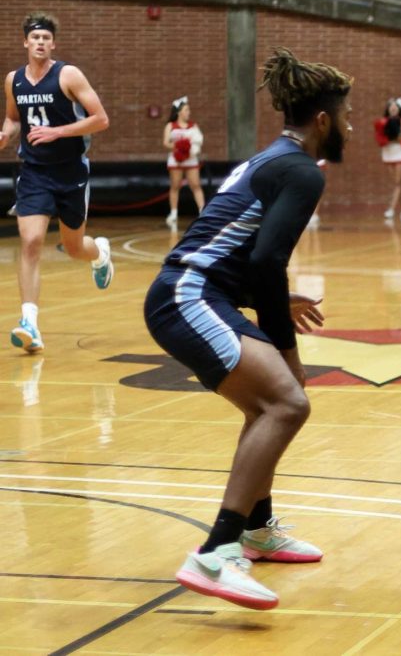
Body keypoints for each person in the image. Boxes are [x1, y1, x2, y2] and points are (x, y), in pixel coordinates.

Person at [144, 47, 352, 610]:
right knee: (289, 401)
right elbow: (263, 262)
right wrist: (288, 348)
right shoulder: (303, 171)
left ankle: (257, 529)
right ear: (324, 121)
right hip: (188, 296)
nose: (350, 128)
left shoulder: (271, 159)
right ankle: (216, 552)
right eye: (346, 118)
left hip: (190, 290)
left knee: (265, 407)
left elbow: (230, 253)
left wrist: (279, 300)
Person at [0, 12, 113, 354]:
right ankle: (29, 323)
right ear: (25, 42)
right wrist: (5, 133)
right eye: (35, 38)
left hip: (70, 173)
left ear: (53, 44)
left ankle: (100, 254)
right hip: (34, 172)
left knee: (74, 247)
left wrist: (58, 131)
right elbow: (13, 118)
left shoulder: (68, 74)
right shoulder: (13, 80)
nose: (40, 43)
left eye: (46, 38)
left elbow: (101, 119)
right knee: (31, 241)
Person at [163, 95, 205, 227]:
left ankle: (203, 211)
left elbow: (198, 141)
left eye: (189, 110)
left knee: (196, 185)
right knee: (175, 186)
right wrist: (178, 146)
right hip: (176, 159)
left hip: (191, 159)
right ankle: (174, 213)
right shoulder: (171, 125)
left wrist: (190, 149)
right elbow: (165, 143)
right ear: (179, 112)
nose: (188, 112)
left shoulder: (193, 126)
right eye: (186, 110)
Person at [376, 97, 401, 224]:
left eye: (395, 107)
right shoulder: (383, 121)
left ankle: (391, 208)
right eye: (391, 106)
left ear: (399, 109)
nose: (393, 108)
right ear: (388, 109)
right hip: (388, 152)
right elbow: (380, 135)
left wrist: (396, 134)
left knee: (397, 182)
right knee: (396, 183)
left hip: (399, 152)